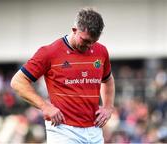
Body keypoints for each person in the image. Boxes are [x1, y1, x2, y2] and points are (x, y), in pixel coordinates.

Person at [11, 7, 115, 144]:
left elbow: (107, 80)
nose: (89, 46)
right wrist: (45, 106)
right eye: (85, 40)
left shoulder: (101, 51)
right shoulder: (49, 52)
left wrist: (108, 107)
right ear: (74, 30)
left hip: (94, 130)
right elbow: (18, 82)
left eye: (93, 42)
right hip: (63, 130)